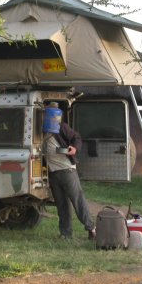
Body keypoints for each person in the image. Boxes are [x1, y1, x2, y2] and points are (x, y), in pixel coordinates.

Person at [43, 102, 96, 240]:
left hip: (66, 170)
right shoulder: (42, 130)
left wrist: (74, 148)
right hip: (53, 172)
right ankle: (66, 234)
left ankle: (92, 229)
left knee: (77, 200)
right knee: (62, 205)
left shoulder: (61, 127)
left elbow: (76, 137)